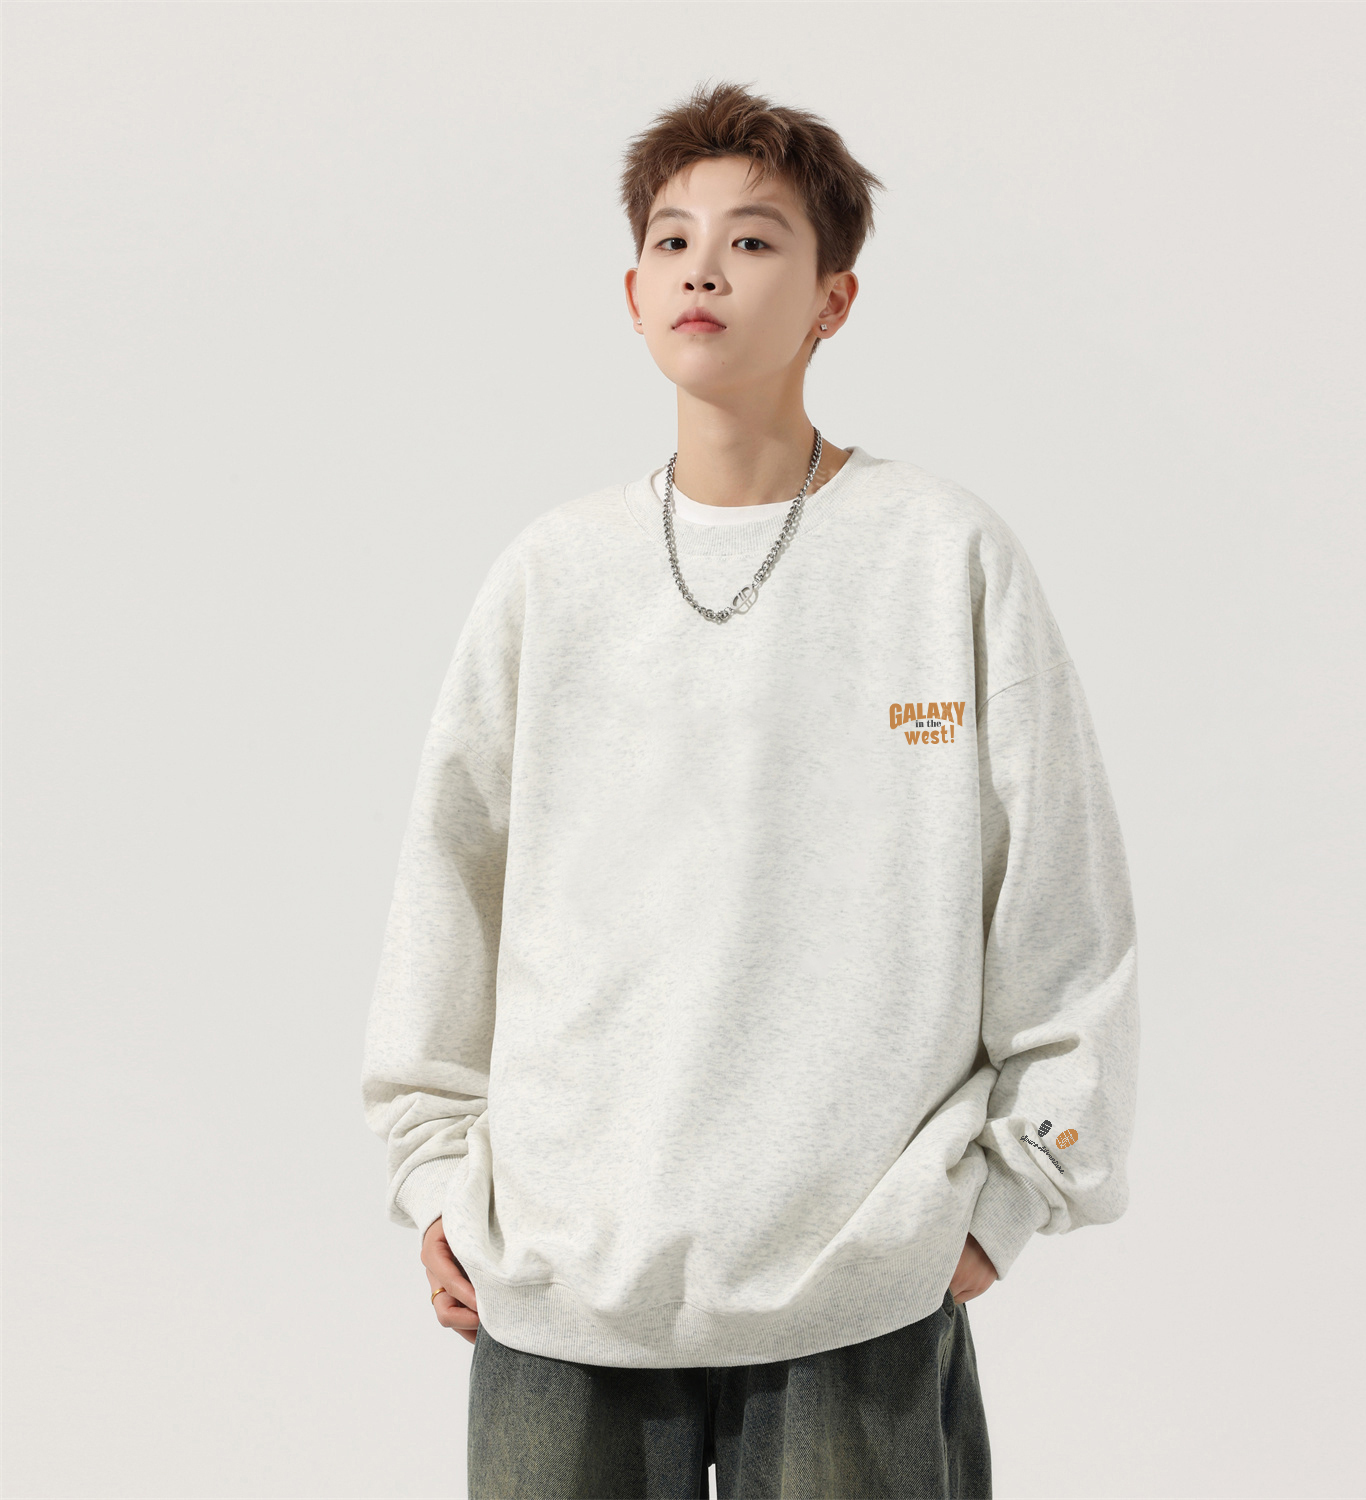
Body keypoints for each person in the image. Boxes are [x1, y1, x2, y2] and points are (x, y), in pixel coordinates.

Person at [361, 79, 1140, 1500]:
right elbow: (448, 888)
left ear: (835, 299)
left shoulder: (941, 556)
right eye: (672, 240)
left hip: (860, 1272)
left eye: (755, 239)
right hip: (559, 1271)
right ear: (631, 293)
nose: (703, 269)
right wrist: (434, 1178)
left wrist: (1011, 1194)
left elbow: (1060, 903)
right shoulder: (554, 574)